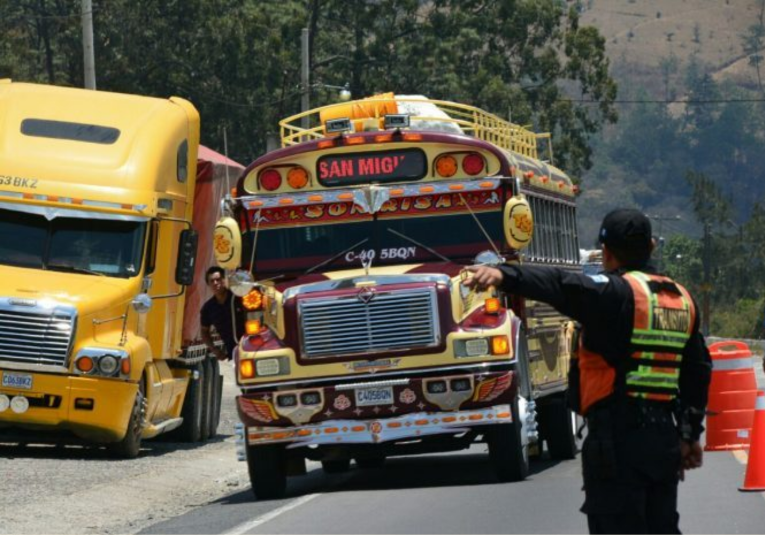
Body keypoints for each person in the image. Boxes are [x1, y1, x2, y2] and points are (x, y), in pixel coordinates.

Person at [465, 208, 712, 534]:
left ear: (606, 253)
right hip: (662, 439)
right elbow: (698, 371)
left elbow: (560, 283)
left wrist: (504, 275)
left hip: (618, 440)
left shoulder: (614, 294)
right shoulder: (680, 299)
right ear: (652, 246)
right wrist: (689, 434)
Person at [200, 266, 245, 361]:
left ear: (224, 280)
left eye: (218, 279)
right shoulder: (208, 308)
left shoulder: (238, 298)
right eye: (212, 281)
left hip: (249, 347)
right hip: (233, 353)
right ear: (208, 284)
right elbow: (204, 332)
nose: (215, 283)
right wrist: (215, 350)